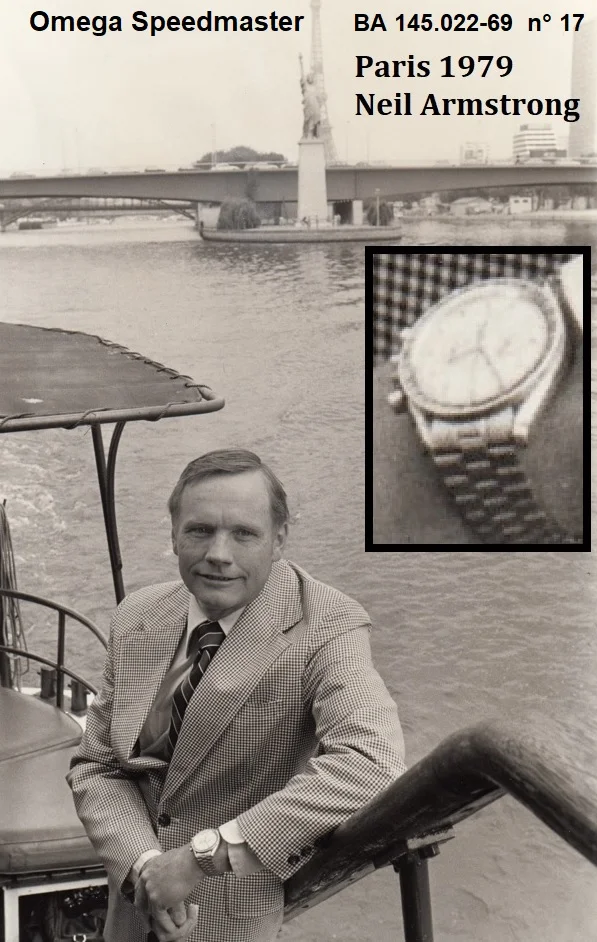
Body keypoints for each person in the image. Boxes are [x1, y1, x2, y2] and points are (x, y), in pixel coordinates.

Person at [67, 449, 406, 942]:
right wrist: (145, 867)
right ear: (174, 533)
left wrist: (201, 858)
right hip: (132, 913)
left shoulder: (327, 626)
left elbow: (372, 763)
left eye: (244, 534)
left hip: (230, 923)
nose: (218, 554)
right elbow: (97, 766)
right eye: (200, 530)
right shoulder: (138, 614)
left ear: (279, 539)